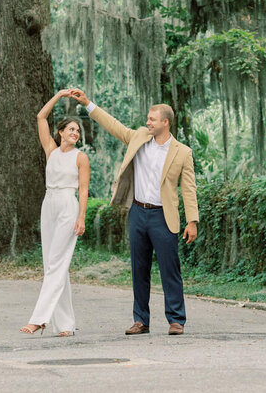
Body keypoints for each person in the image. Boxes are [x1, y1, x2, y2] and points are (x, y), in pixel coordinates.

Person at [65, 88, 198, 336]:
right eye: (148, 119)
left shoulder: (182, 152)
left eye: (152, 119)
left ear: (165, 122)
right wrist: (88, 104)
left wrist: (192, 221)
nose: (148, 122)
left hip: (163, 216)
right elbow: (113, 125)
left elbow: (188, 189)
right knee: (139, 269)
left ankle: (176, 320)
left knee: (170, 269)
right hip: (138, 213)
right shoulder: (139, 137)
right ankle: (141, 320)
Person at [20, 89, 90, 337]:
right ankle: (66, 324)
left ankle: (39, 319)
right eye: (71, 129)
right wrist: (59, 96)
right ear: (60, 132)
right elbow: (40, 117)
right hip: (48, 204)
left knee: (56, 264)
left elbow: (83, 190)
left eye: (78, 131)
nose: (75, 133)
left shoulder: (80, 158)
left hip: (68, 206)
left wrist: (81, 217)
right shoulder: (51, 150)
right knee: (53, 263)